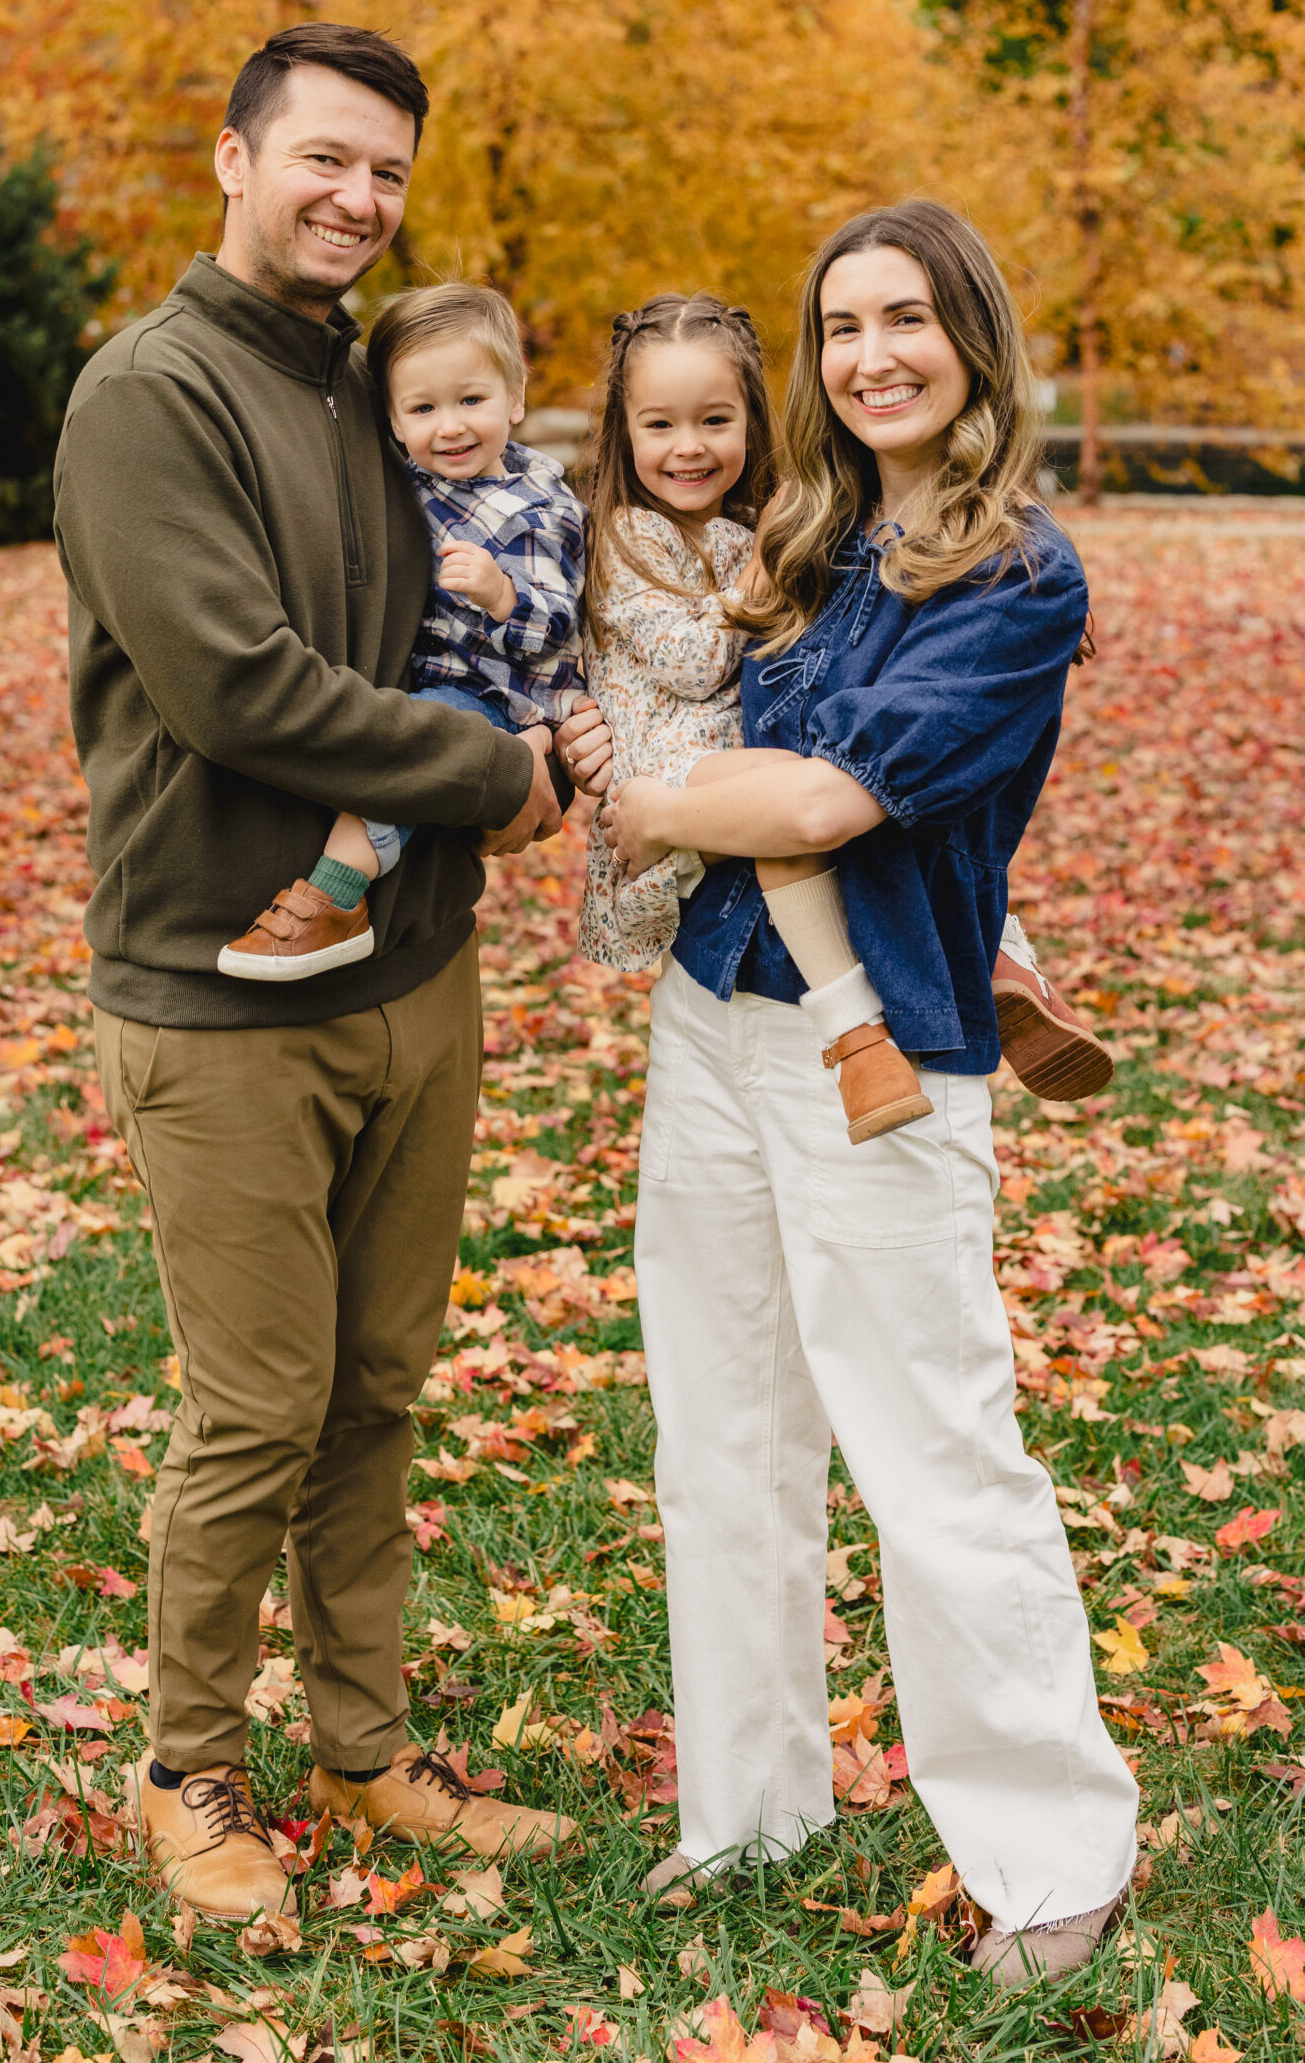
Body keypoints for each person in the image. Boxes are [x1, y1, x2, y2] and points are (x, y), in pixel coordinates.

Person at [53, 23, 575, 1924]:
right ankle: (189, 1768)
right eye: (323, 158)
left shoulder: (373, 387)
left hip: (412, 974)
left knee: (377, 1386)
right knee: (257, 1403)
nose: (354, 198)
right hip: (222, 993)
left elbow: (486, 575)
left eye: (386, 174)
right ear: (234, 157)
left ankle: (362, 1753)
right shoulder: (151, 396)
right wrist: (494, 777)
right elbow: (233, 686)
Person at [595, 203, 1140, 1985]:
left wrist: (650, 793)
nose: (868, 355)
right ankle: (749, 1806)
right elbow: (736, 738)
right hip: (714, 1020)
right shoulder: (805, 540)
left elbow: (827, 806)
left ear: (970, 341)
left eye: (904, 319)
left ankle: (1053, 1858)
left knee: (931, 1453)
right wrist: (704, 778)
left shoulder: (1017, 576)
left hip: (882, 1058)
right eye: (838, 328)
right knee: (724, 1438)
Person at [573, 295, 1111, 1130]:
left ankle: (907, 1014)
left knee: (793, 799)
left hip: (812, 896)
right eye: (844, 329)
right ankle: (991, 975)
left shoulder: (789, 523)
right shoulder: (658, 536)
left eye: (715, 420)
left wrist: (1029, 584)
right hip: (708, 928)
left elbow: (824, 801)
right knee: (784, 793)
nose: (689, 447)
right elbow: (679, 655)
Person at [219, 281, 585, 982]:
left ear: (514, 398)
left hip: (498, 695)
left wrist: (501, 594)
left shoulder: (537, 508)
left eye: (471, 401)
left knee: (411, 750)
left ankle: (334, 901)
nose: (449, 427)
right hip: (431, 677)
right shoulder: (415, 480)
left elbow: (560, 628)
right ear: (393, 419)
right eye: (423, 409)